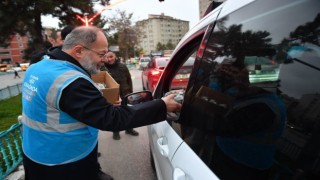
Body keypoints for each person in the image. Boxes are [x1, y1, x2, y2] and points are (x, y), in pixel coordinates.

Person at [21, 26, 181, 180]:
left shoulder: (38, 67)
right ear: (78, 51)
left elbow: (58, 107)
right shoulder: (71, 82)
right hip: (63, 163)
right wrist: (162, 105)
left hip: (35, 154)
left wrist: (99, 104)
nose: (104, 61)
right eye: (101, 54)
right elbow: (112, 119)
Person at [101, 51, 139, 140]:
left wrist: (131, 93)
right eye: (107, 57)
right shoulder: (103, 68)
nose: (109, 59)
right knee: (115, 115)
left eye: (111, 56)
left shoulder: (123, 66)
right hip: (113, 96)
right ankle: (116, 131)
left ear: (115, 57)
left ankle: (129, 129)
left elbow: (129, 79)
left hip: (125, 94)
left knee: (128, 113)